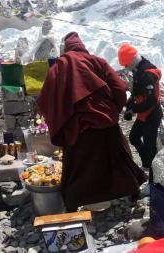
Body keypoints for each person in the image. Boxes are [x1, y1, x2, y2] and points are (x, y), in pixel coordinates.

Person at [37, 32, 146, 211]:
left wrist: (58, 118)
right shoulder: (96, 61)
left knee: (79, 166)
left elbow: (44, 101)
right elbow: (119, 87)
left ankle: (73, 203)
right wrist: (113, 109)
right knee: (118, 159)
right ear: (82, 46)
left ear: (67, 49)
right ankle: (132, 194)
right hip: (104, 121)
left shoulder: (57, 68)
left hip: (76, 127)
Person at [118, 43, 163, 182]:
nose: (126, 68)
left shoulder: (146, 73)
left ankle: (154, 182)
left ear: (131, 60)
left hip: (152, 114)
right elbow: (138, 93)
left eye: (126, 64)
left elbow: (151, 100)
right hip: (144, 114)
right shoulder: (138, 70)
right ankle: (147, 164)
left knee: (150, 147)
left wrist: (134, 109)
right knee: (134, 137)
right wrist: (129, 104)